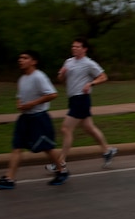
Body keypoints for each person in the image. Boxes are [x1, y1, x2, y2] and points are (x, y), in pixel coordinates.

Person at [0, 50, 69, 189]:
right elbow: (20, 96)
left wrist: (33, 103)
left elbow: (52, 94)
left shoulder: (39, 77)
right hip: (25, 118)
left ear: (34, 61)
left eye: (25, 58)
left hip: (39, 118)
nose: (21, 60)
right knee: (17, 147)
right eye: (20, 58)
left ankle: (62, 171)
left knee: (47, 148)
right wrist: (19, 104)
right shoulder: (22, 79)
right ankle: (9, 179)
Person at [49, 38, 118, 174]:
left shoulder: (89, 63)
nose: (74, 48)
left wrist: (91, 84)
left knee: (65, 129)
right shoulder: (68, 62)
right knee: (89, 127)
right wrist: (61, 74)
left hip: (82, 99)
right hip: (73, 99)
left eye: (77, 47)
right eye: (73, 46)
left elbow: (103, 77)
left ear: (84, 49)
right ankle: (107, 151)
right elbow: (61, 80)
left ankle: (60, 162)